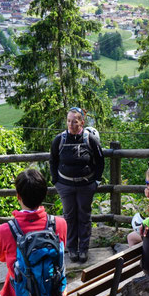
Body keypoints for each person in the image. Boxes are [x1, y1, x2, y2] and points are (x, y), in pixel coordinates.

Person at [49, 107, 104, 263]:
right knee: (69, 217)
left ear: (82, 122)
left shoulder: (90, 139)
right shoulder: (59, 140)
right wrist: (56, 181)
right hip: (65, 185)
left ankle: (84, 249)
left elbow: (100, 161)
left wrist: (97, 181)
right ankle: (72, 248)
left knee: (84, 216)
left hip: (86, 185)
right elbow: (53, 160)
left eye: (75, 121)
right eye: (68, 121)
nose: (71, 124)